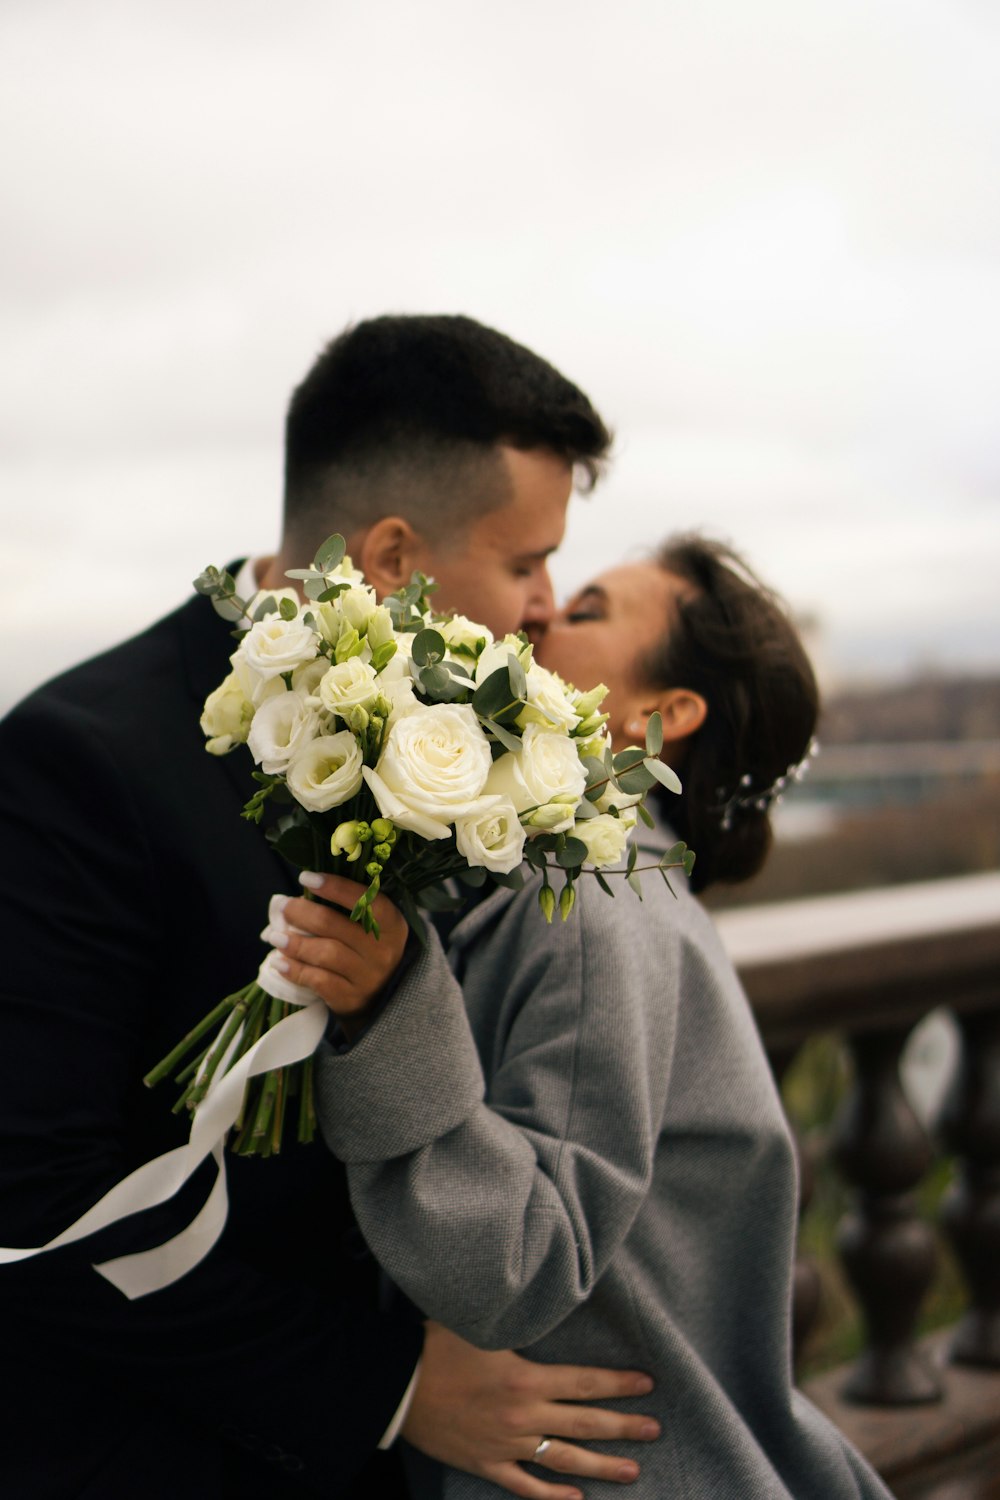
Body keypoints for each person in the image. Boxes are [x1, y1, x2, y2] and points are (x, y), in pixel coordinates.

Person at [0, 315, 662, 1500]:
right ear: (396, 558)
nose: (544, 609)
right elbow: (33, 1200)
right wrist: (389, 1384)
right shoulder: (75, 761)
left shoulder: (464, 742)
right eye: (525, 563)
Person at [277, 536, 895, 1498]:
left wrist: (391, 1004)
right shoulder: (601, 880)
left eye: (591, 610)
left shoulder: (592, 899)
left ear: (663, 713)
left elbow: (520, 1264)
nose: (543, 612)